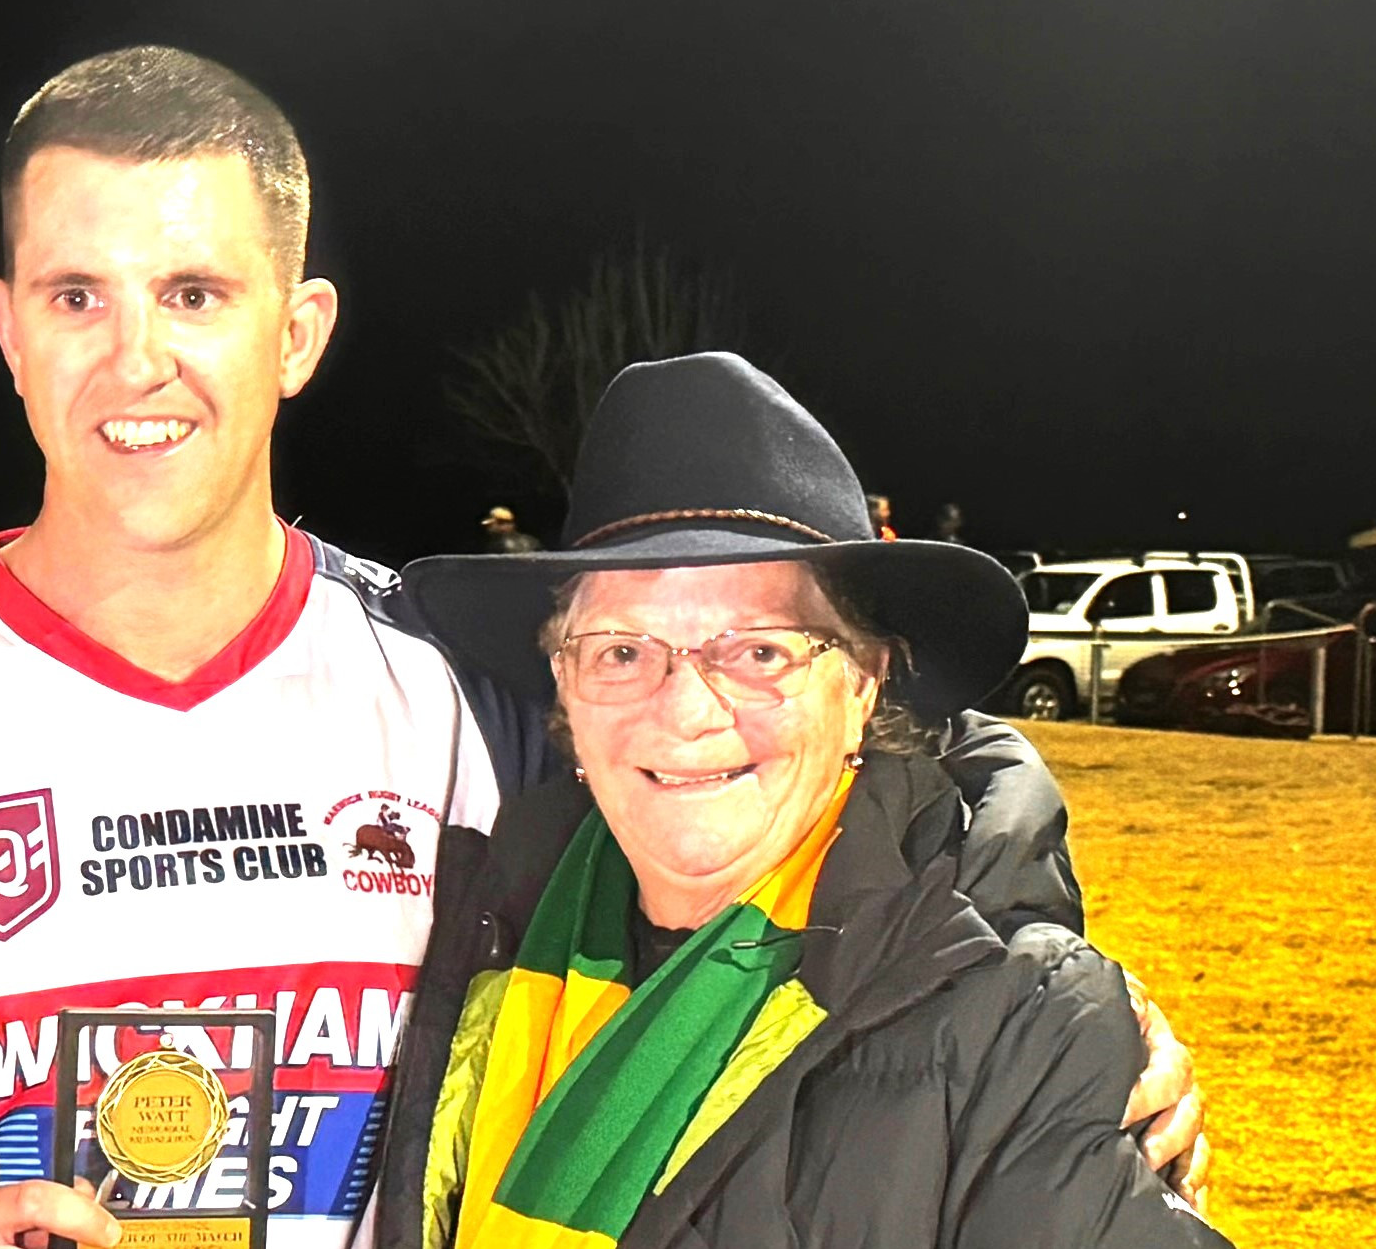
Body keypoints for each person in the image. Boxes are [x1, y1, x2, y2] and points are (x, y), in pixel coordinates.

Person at [0, 50, 1203, 1249]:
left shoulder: (469, 674)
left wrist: (1049, 1018)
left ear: (299, 329)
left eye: (196, 291)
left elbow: (831, 771)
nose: (137, 361)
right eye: (76, 296)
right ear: (5, 327)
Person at [379, 352, 1226, 1247]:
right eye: (620, 651)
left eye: (758, 652)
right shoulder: (482, 942)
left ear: (863, 682)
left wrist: (1070, 1039)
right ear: (563, 691)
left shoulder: (1023, 1025)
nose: (686, 710)